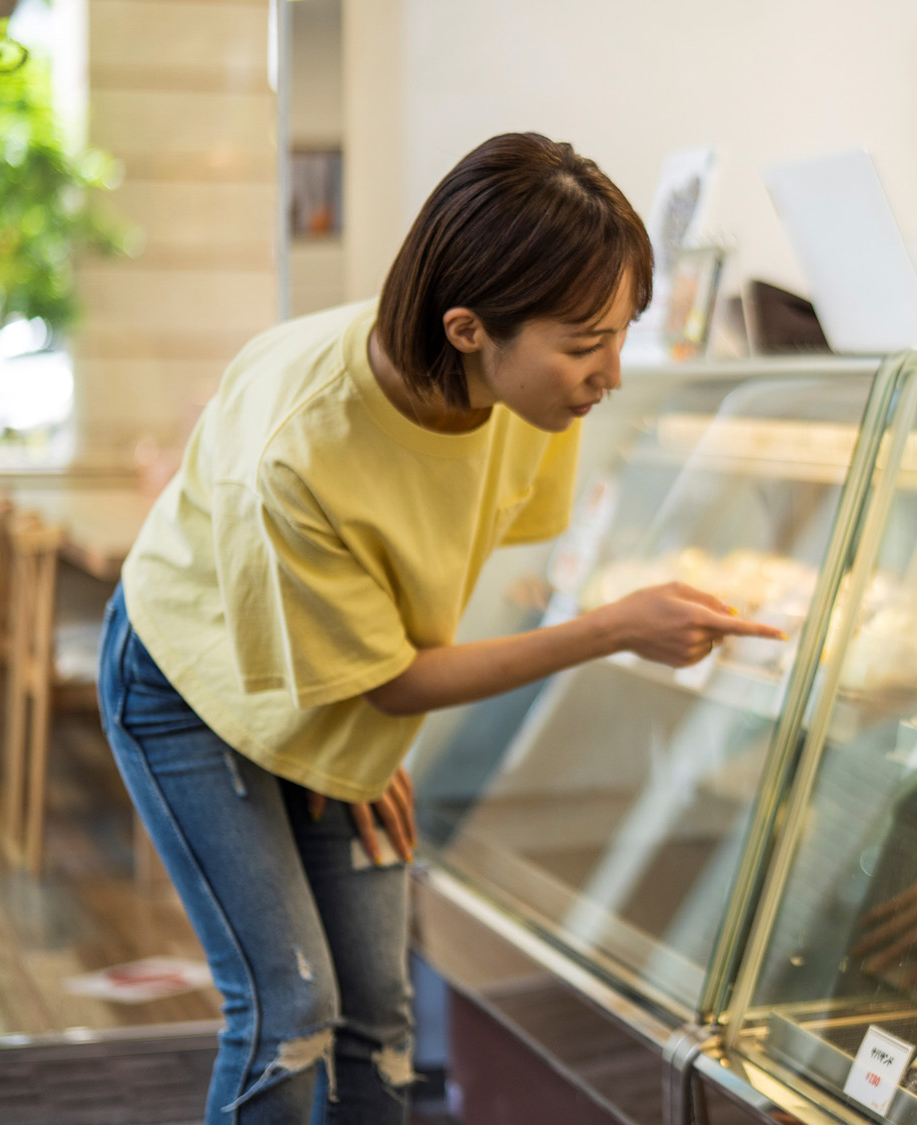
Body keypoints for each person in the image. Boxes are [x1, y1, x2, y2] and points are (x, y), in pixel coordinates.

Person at [98, 132, 781, 1124]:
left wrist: (363, 738)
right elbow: (385, 679)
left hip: (330, 683)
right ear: (467, 329)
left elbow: (383, 652)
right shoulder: (300, 448)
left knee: (379, 1019)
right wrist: (606, 630)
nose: (611, 374)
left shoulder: (533, 399)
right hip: (192, 688)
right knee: (291, 1011)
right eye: (586, 345)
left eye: (621, 332)